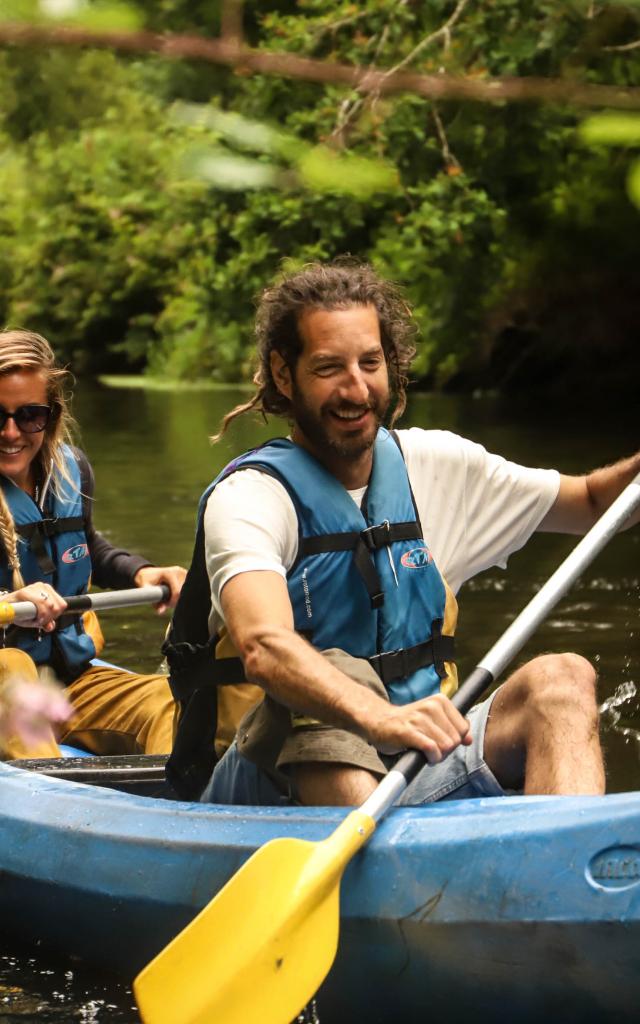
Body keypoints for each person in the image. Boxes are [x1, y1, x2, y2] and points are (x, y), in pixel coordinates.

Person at [164, 260, 639, 806]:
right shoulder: (251, 496)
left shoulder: (438, 465)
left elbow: (599, 503)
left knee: (563, 678)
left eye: (370, 363)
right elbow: (263, 646)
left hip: (419, 761)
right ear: (282, 373)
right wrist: (381, 718)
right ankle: (386, 881)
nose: (356, 389)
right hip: (272, 784)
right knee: (333, 693)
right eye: (328, 368)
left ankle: (564, 863)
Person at [0, 328, 186, 760]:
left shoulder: (72, 472)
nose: (12, 433)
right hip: (7, 678)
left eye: (29, 415)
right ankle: (49, 808)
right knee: (12, 668)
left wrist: (140, 571)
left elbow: (85, 547)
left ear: (51, 415)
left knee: (166, 701)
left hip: (71, 678)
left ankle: (171, 812)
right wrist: (11, 598)